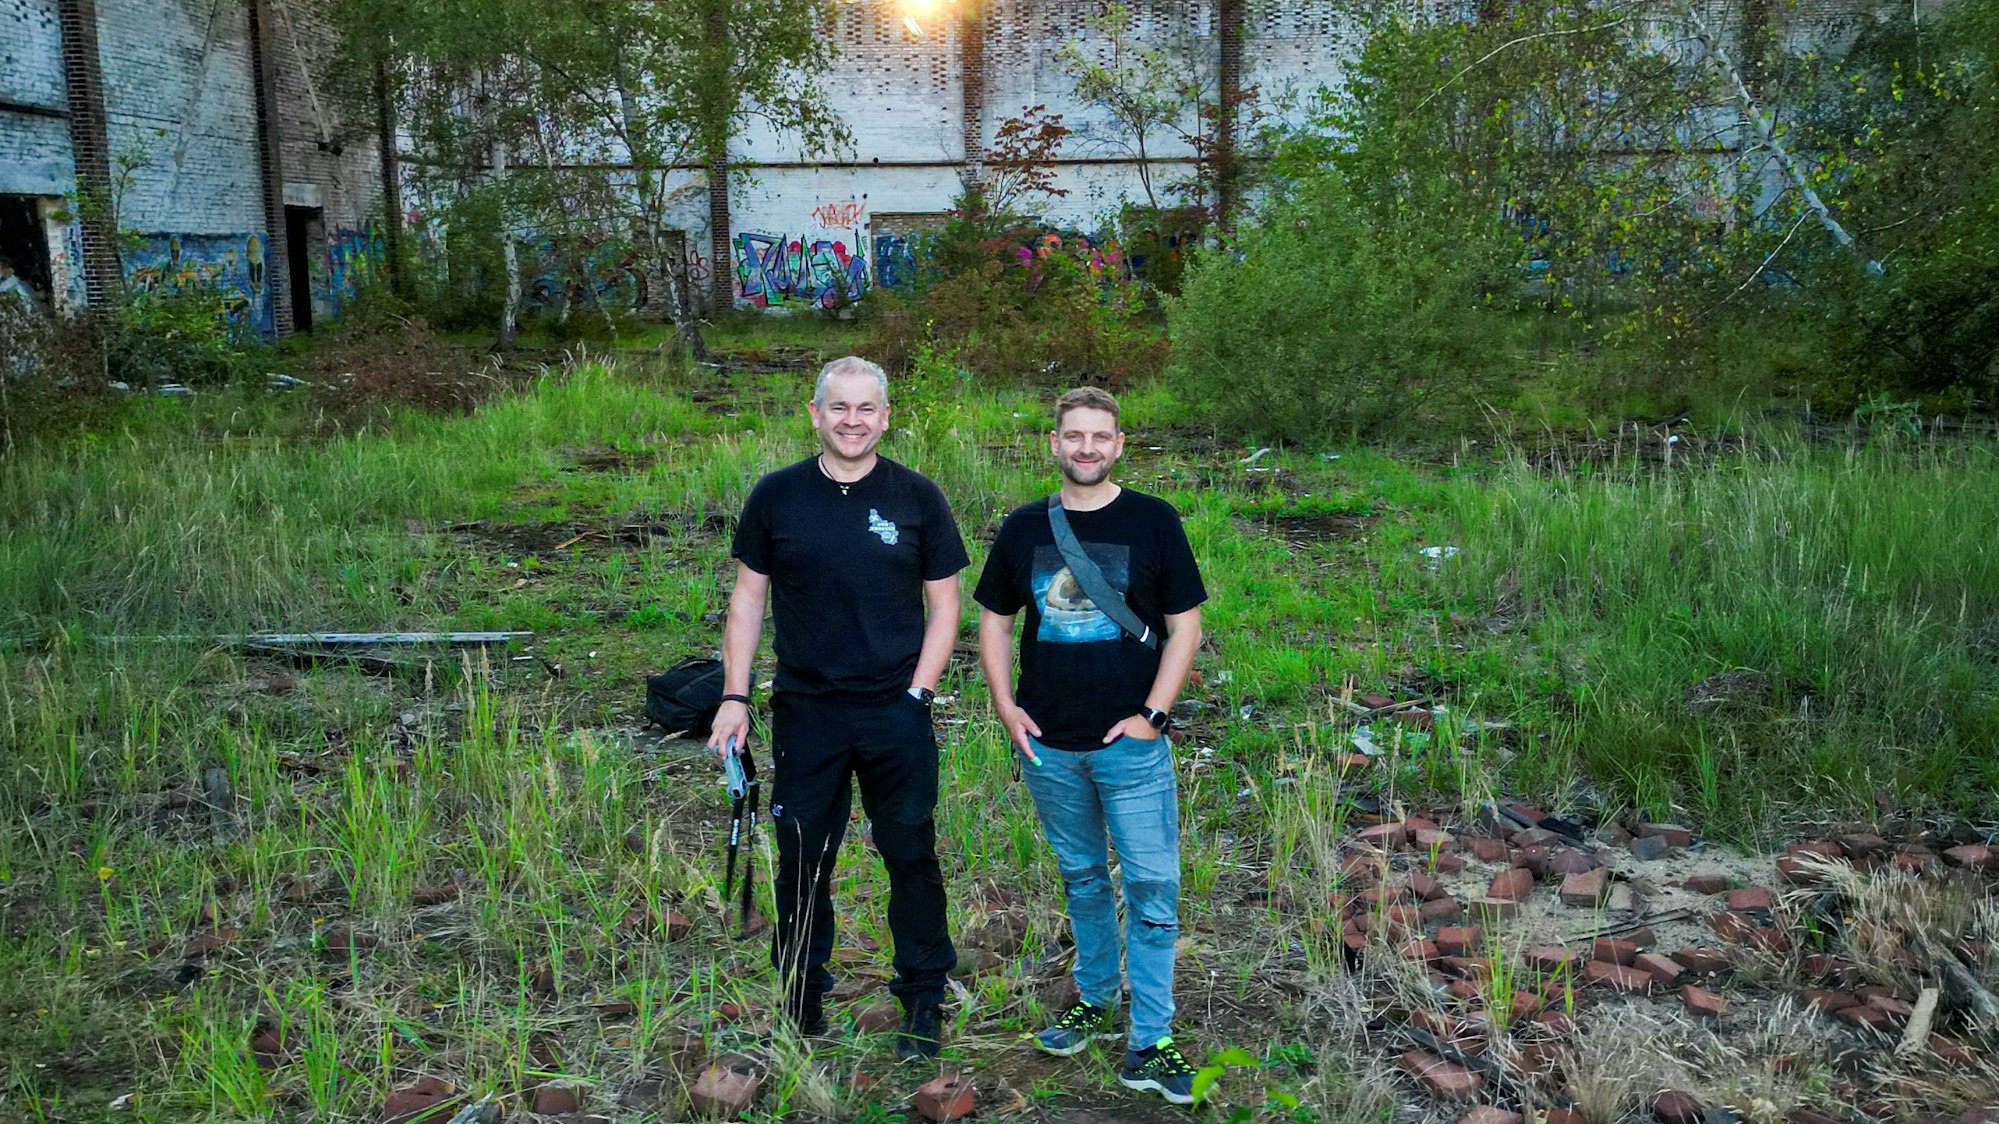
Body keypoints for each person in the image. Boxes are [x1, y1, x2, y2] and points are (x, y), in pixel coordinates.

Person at [707, 355, 967, 1060]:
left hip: (894, 712)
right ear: (815, 414)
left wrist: (921, 689)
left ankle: (921, 1000)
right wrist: (734, 697)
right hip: (807, 711)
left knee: (909, 852)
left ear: (885, 416)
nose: (852, 422)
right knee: (800, 858)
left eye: (866, 409)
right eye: (839, 408)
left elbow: (946, 606)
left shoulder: (917, 497)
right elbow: (747, 601)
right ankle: (801, 1002)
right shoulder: (777, 497)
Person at [973, 386, 1207, 1104]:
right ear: (1054, 443)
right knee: (1080, 877)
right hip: (1048, 743)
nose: (1085, 448)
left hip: (1129, 745)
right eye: (1072, 436)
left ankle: (1152, 1038)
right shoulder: (1022, 529)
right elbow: (993, 624)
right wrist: (1006, 708)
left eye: (1098, 437)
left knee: (1150, 885)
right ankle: (1095, 996)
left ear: (1118, 444)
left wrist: (1153, 716)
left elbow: (1185, 627)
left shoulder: (1152, 521)